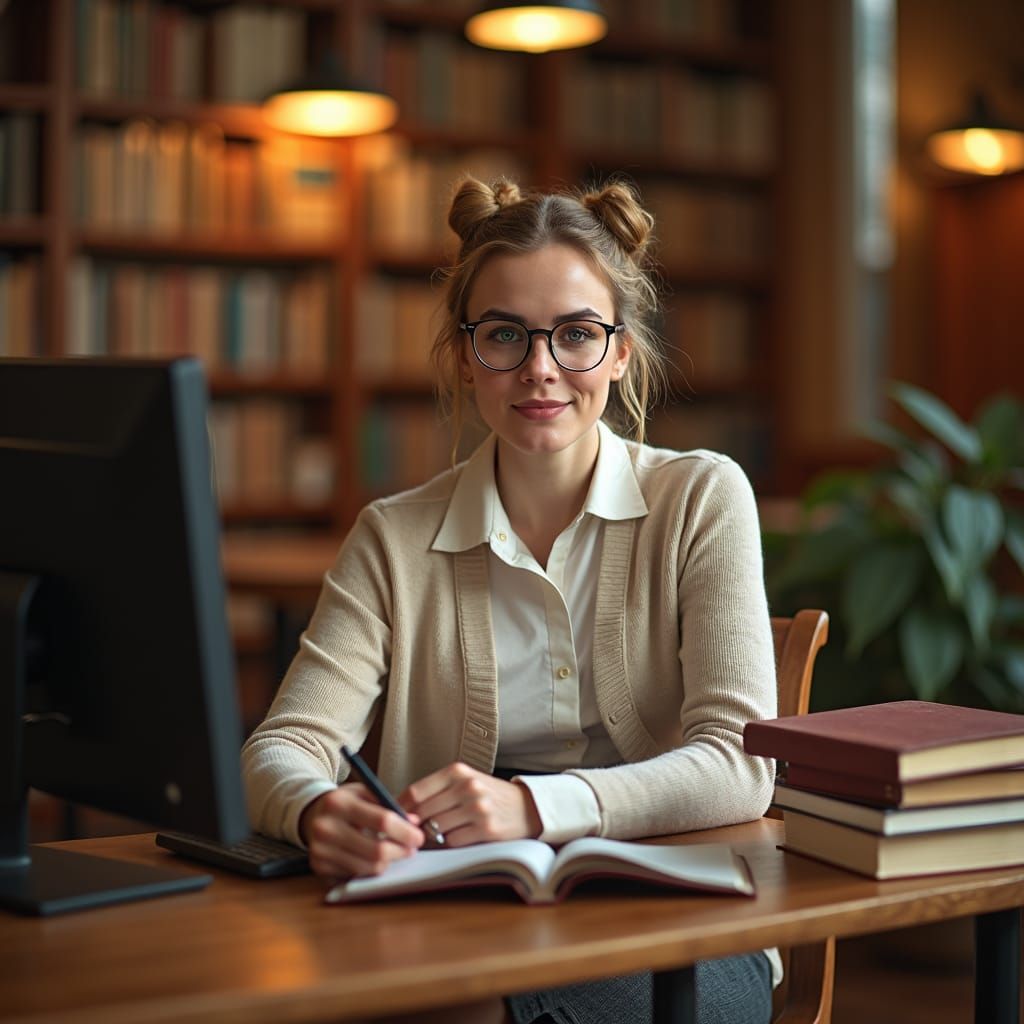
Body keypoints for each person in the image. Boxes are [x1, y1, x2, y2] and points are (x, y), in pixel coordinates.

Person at [241, 175, 778, 1024]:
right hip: (458, 923)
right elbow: (284, 746)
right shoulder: (391, 537)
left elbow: (740, 765)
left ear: (621, 350)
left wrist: (534, 807)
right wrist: (316, 812)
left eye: (576, 336)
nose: (539, 370)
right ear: (464, 353)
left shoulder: (702, 499)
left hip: (689, 924)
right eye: (504, 335)